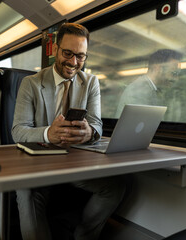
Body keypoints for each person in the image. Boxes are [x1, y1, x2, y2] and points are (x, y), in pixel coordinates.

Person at [12, 23, 127, 240]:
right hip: (39, 162)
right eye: (68, 53)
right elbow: (18, 131)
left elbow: (97, 125)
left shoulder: (90, 82)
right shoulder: (31, 84)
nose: (74, 62)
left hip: (74, 160)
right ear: (55, 49)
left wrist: (89, 133)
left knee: (116, 186)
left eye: (81, 56)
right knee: (26, 191)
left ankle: (84, 235)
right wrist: (48, 134)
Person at [115, 49, 182, 118]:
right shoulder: (138, 91)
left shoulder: (151, 88)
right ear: (157, 68)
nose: (176, 79)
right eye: (173, 73)